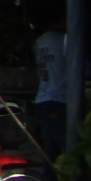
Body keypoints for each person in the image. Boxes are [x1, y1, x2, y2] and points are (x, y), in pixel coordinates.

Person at [33, 23, 68, 161]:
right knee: (65, 145)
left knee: (49, 149)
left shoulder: (40, 41)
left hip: (43, 97)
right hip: (59, 97)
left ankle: (50, 180)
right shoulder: (65, 39)